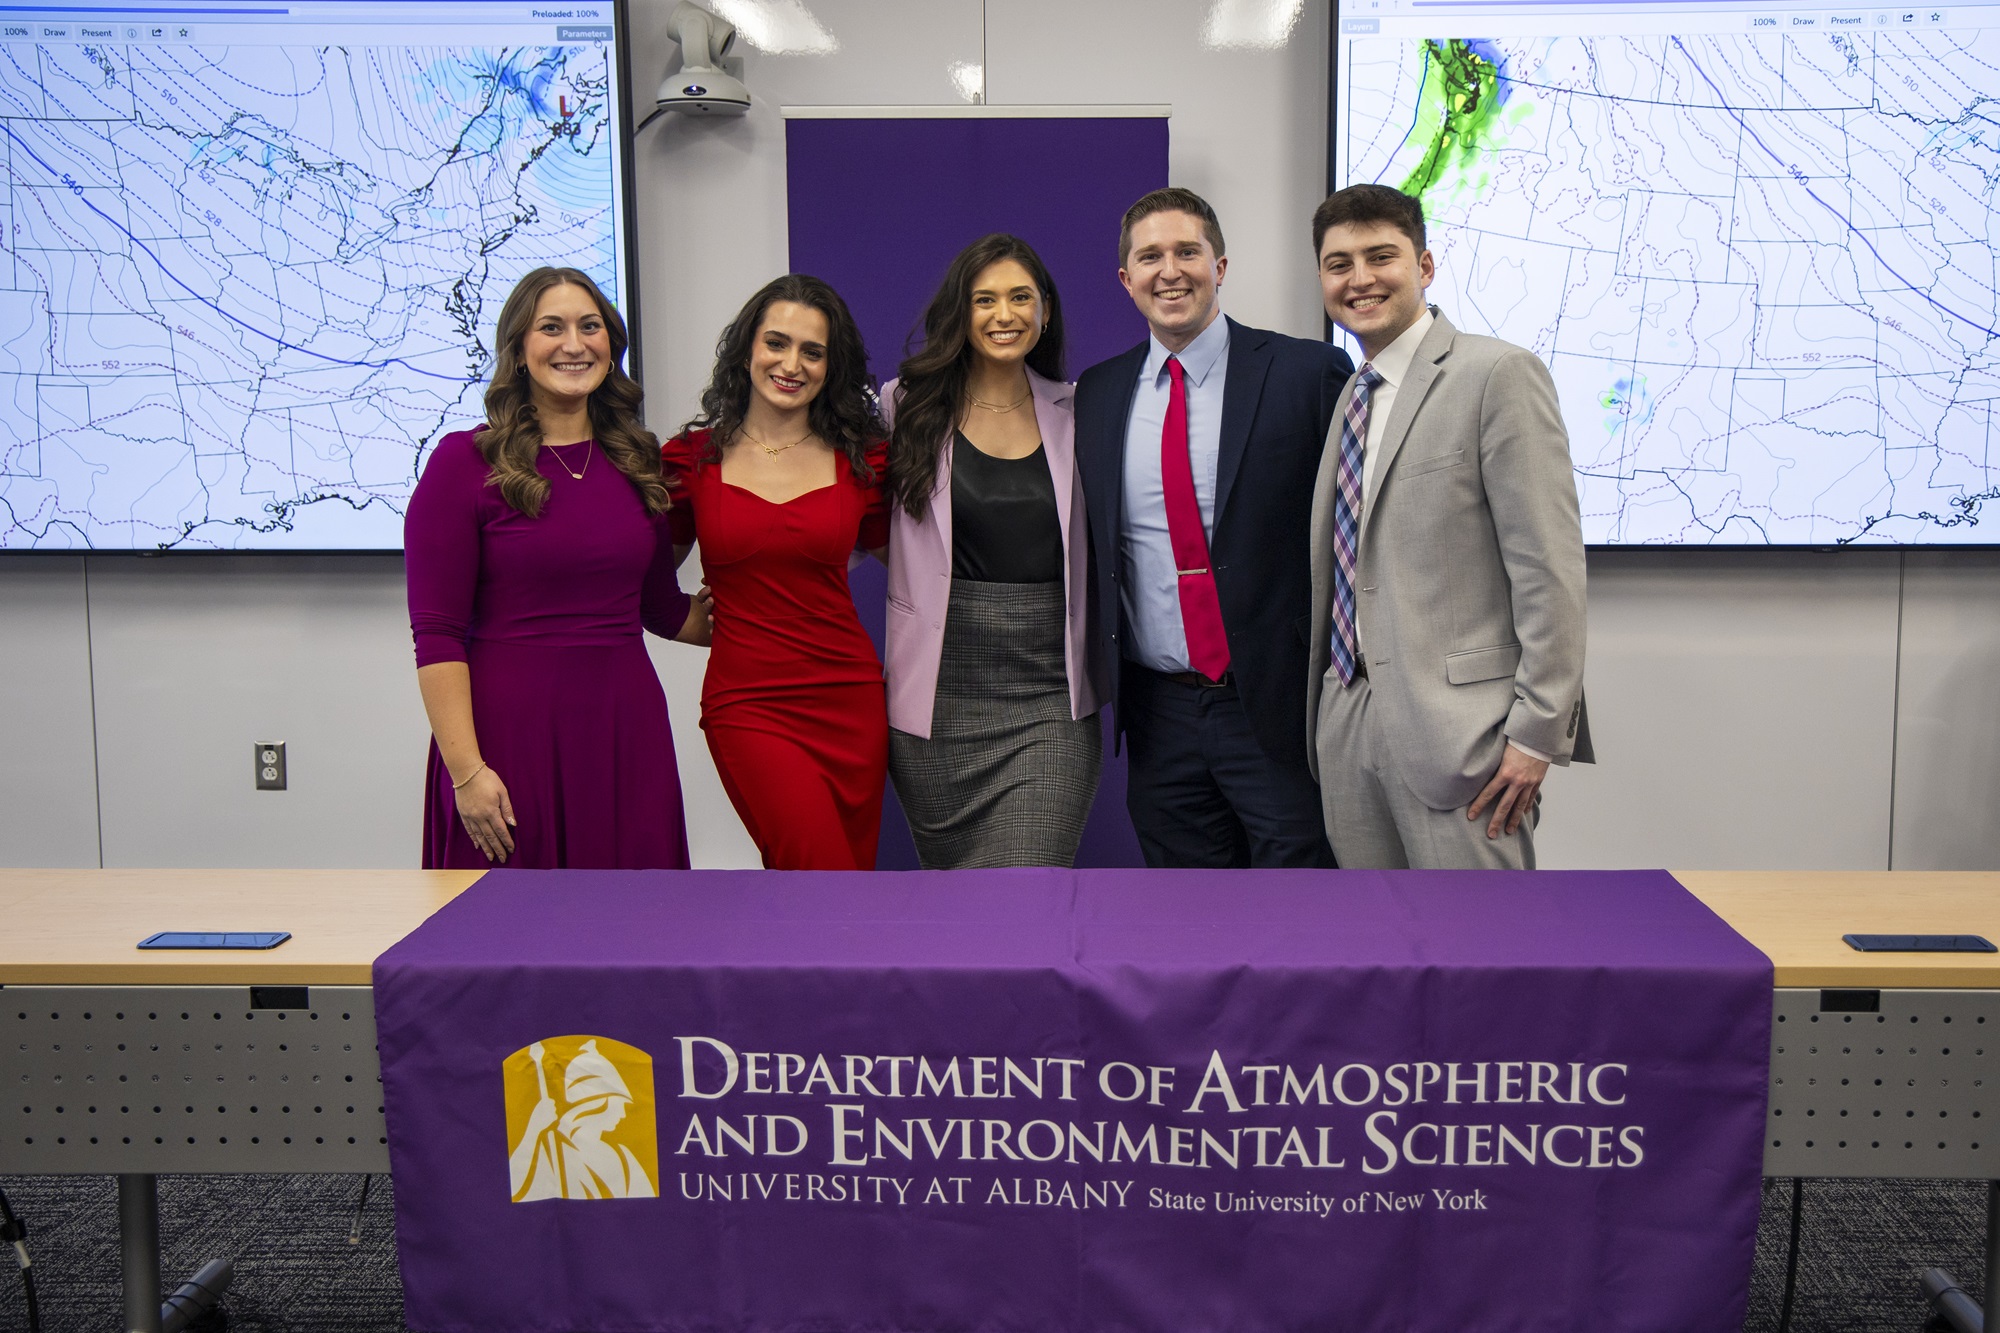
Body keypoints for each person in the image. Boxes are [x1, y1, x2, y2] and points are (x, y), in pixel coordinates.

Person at [1306, 184, 1591, 870]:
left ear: (1425, 266)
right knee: (1378, 958)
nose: (1361, 279)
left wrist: (1536, 735)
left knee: (1483, 963)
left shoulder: (1497, 374)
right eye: (1339, 263)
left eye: (1381, 257)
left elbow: (1549, 569)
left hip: (1464, 739)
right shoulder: (1352, 394)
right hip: (1347, 720)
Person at [1074, 188, 1354, 868]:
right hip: (1159, 712)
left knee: (1303, 904)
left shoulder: (1306, 373)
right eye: (1150, 256)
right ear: (1126, 279)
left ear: (1220, 266)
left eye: (1187, 252)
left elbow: (1355, 541)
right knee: (1189, 918)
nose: (1170, 270)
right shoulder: (1099, 393)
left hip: (1276, 708)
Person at [405, 266, 708, 870]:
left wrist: (777, 620)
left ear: (610, 345)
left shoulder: (637, 459)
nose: (574, 344)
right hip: (508, 740)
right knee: (505, 939)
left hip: (626, 734)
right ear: (519, 350)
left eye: (589, 326)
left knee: (633, 933)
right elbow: (436, 635)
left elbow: (660, 608)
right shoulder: (462, 463)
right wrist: (467, 773)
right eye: (552, 327)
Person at [881, 235, 1106, 868]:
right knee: (964, 913)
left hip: (1050, 694)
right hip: (937, 694)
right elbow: (852, 522)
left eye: (1019, 298)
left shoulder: (1080, 410)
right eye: (985, 299)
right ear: (962, 310)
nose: (1003, 314)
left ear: (1045, 313)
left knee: (1026, 891)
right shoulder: (903, 406)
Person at [664, 275, 890, 870]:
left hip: (851, 701)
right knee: (819, 874)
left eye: (812, 351)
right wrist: (677, 619)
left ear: (830, 366)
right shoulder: (691, 459)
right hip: (749, 704)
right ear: (746, 351)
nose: (792, 364)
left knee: (841, 885)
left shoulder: (865, 462)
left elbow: (924, 568)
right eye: (776, 343)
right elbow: (630, 569)